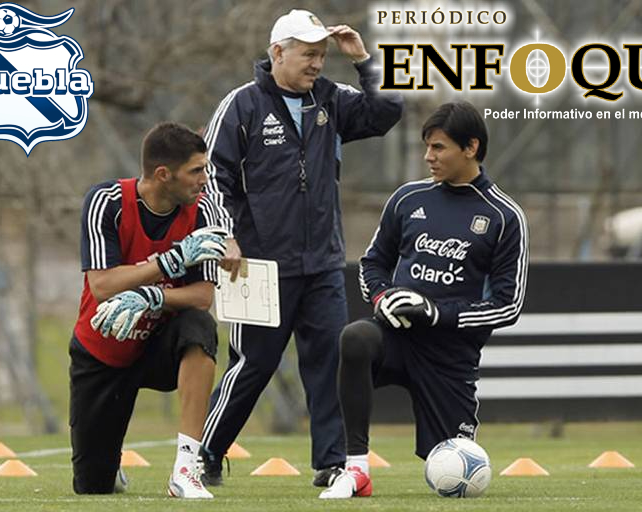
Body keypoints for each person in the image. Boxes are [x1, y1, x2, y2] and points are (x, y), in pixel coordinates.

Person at [199, 8, 404, 487]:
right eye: (308, 54)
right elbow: (211, 175)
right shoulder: (242, 105)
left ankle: (331, 463)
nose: (317, 64)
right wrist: (224, 234)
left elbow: (386, 112)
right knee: (253, 365)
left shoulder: (331, 98)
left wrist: (364, 61)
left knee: (330, 363)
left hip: (323, 264)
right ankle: (205, 453)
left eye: (322, 55)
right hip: (258, 266)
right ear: (278, 52)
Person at [320, 101, 529, 499]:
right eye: (427, 147)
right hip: (396, 338)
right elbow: (372, 263)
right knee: (356, 338)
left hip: (450, 359)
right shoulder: (407, 199)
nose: (428, 157)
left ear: (471, 147)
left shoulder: (504, 216)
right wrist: (381, 297)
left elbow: (508, 305)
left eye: (438, 147)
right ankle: (356, 469)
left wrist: (436, 313)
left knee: (457, 478)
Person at [69, 122, 229, 499]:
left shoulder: (203, 211)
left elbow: (202, 296)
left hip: (160, 343)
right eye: (196, 170)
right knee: (93, 485)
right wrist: (168, 263)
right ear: (163, 174)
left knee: (199, 327)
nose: (204, 179)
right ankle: (107, 462)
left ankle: (186, 469)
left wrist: (153, 298)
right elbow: (102, 285)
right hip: (104, 349)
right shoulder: (106, 201)